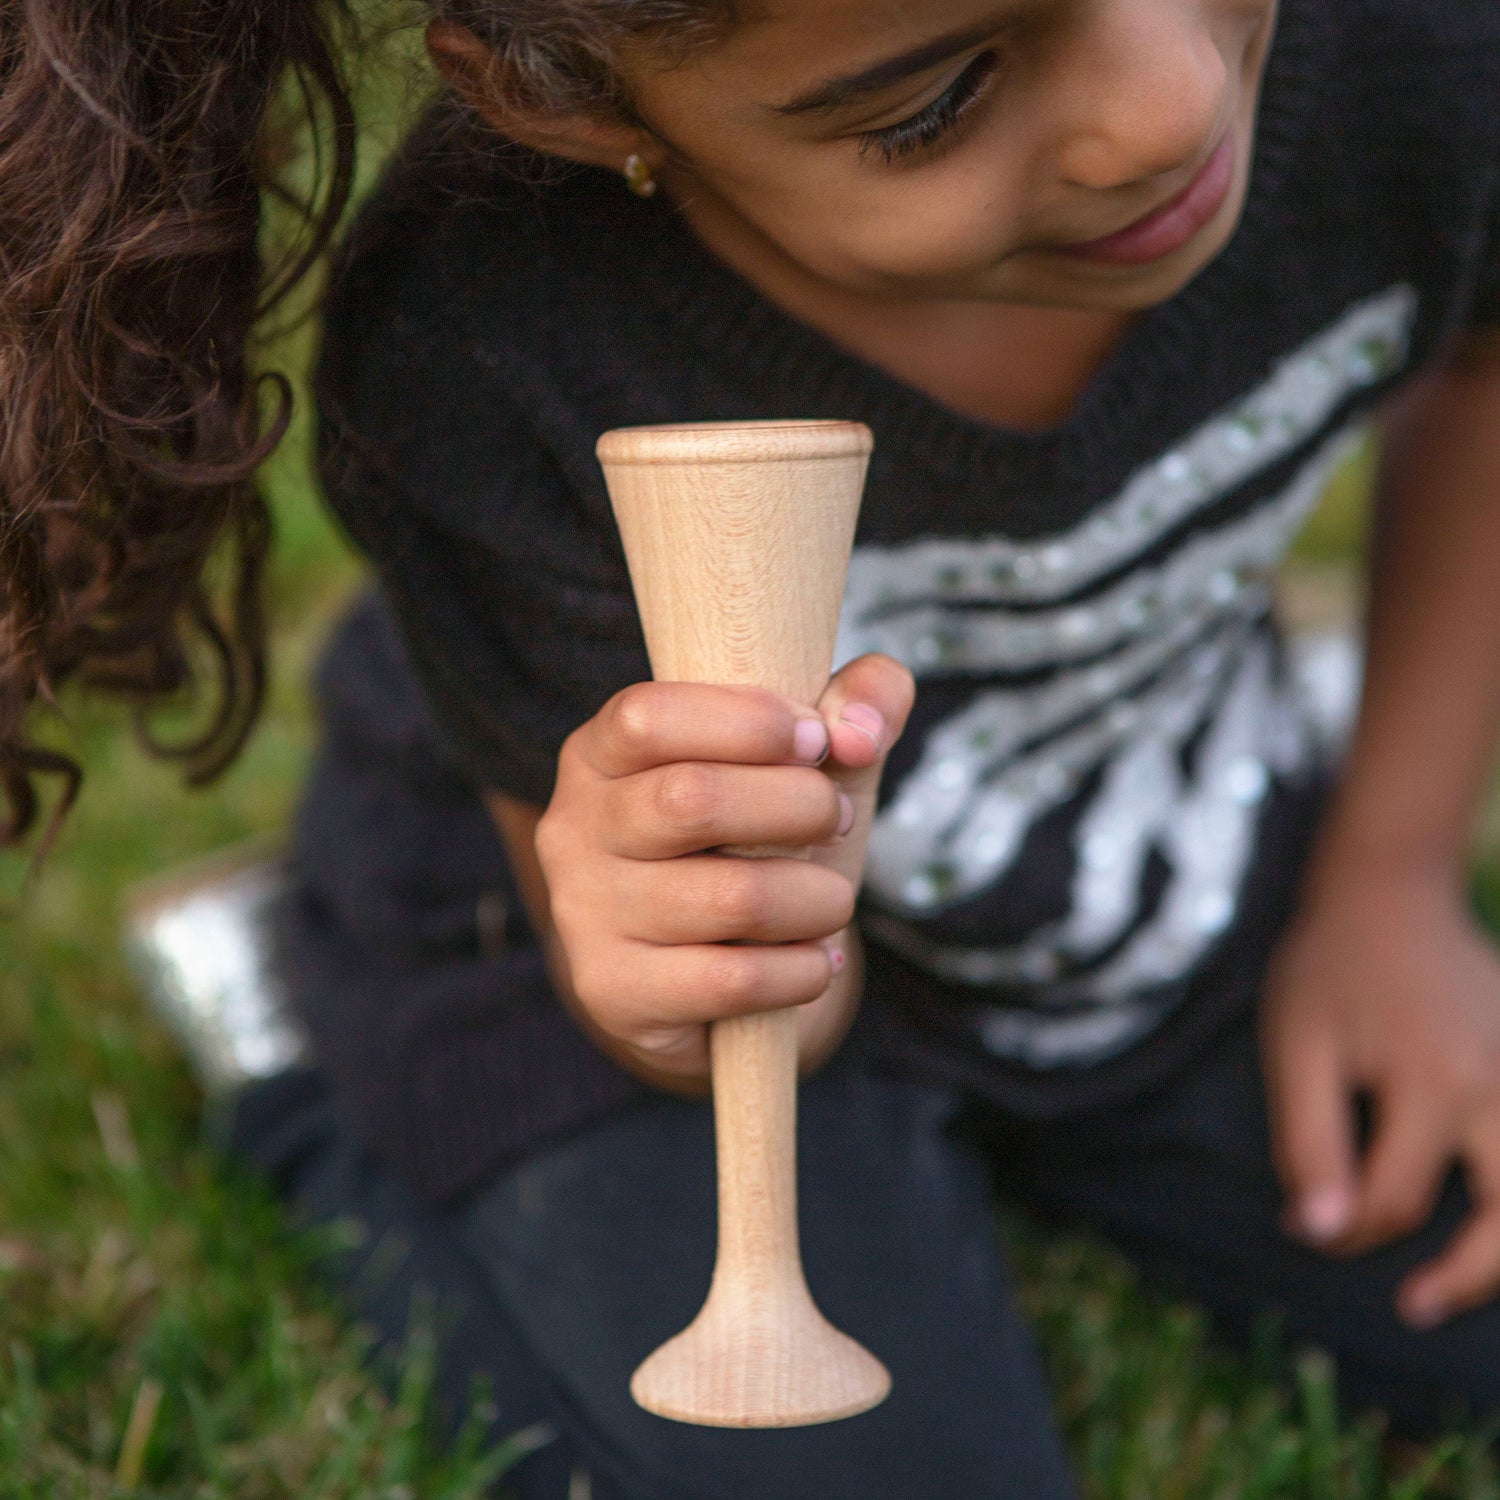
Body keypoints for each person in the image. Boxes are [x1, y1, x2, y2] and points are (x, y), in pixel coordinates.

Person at [6, 0, 1500, 1493]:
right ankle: (290, 1033)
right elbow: (709, 1002)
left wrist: (1389, 877)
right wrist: (683, 974)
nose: (1167, 103)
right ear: (587, 111)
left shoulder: (1412, 47)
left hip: (1100, 819)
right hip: (596, 937)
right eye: (931, 104)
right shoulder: (490, 340)